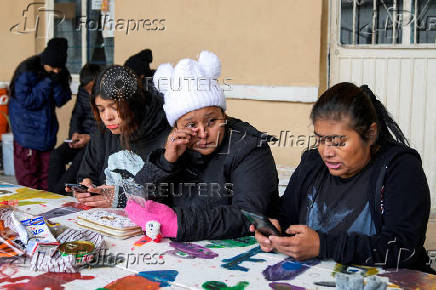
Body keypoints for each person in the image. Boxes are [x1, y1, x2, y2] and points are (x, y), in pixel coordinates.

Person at [253, 82, 434, 273]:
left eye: (338, 142)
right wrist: (275, 230)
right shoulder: (312, 164)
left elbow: (403, 249)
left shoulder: (399, 169)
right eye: (320, 139)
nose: (326, 152)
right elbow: (287, 215)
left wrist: (323, 246)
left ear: (371, 134)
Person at [125, 51, 279, 242]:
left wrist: (178, 223)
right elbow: (140, 198)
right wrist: (165, 162)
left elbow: (249, 215)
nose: (203, 133)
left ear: (224, 116)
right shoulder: (177, 147)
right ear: (176, 127)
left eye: (212, 121)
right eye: (191, 125)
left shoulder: (249, 148)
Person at [73, 65, 170, 208]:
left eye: (115, 108)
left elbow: (168, 196)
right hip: (105, 220)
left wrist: (123, 198)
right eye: (101, 109)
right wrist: (87, 188)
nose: (107, 117)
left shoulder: (164, 135)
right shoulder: (102, 132)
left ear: (133, 103)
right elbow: (87, 173)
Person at [9, 37, 72, 190]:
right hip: (27, 134)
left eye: (59, 68)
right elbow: (28, 101)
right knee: (28, 181)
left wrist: (57, 81)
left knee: (47, 180)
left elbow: (61, 100)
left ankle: (44, 214)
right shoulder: (27, 70)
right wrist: (48, 82)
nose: (56, 70)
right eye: (53, 67)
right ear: (46, 61)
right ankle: (30, 213)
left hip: (47, 134)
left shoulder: (59, 73)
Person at [48, 64, 101, 195]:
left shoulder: (106, 94)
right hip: (81, 138)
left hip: (96, 141)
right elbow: (76, 115)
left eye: (91, 89)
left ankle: (56, 196)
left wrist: (89, 138)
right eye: (86, 89)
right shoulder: (83, 91)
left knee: (78, 162)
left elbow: (106, 125)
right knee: (56, 155)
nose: (89, 93)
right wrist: (74, 133)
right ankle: (55, 194)